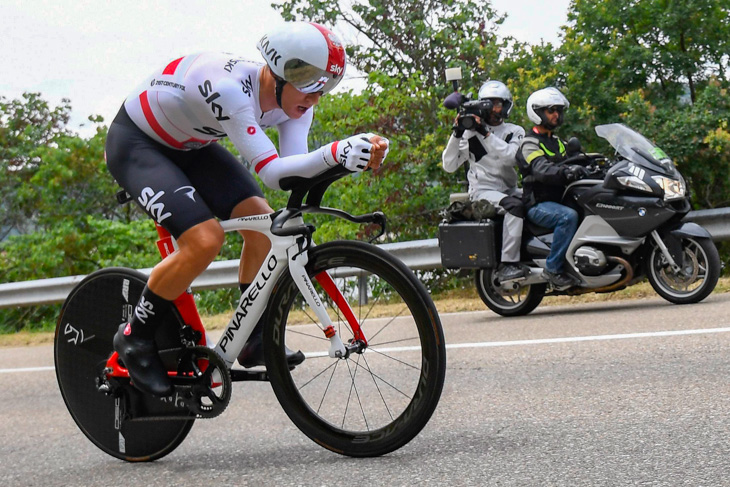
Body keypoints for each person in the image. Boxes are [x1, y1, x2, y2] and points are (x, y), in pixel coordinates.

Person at [105, 21, 389, 397]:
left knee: (264, 225)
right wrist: (337, 151)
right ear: (280, 71)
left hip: (192, 144)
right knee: (205, 239)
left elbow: (295, 168)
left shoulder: (298, 102)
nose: (317, 95)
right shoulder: (231, 91)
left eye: (326, 84)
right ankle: (134, 338)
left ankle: (253, 336)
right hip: (138, 144)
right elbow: (273, 173)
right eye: (309, 81)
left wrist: (349, 157)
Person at [442, 80, 527, 282]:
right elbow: (449, 165)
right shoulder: (470, 134)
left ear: (506, 106)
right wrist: (457, 133)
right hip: (483, 191)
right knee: (514, 206)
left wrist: (485, 133)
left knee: (538, 200)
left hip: (509, 188)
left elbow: (511, 158)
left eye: (498, 103)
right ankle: (508, 264)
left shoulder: (515, 131)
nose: (493, 109)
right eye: (489, 103)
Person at [517, 87, 586, 289]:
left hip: (558, 199)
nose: (556, 114)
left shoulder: (557, 142)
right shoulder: (529, 143)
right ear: (537, 113)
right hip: (538, 204)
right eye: (551, 110)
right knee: (568, 217)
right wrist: (565, 173)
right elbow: (541, 169)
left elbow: (575, 159)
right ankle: (553, 269)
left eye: (558, 110)